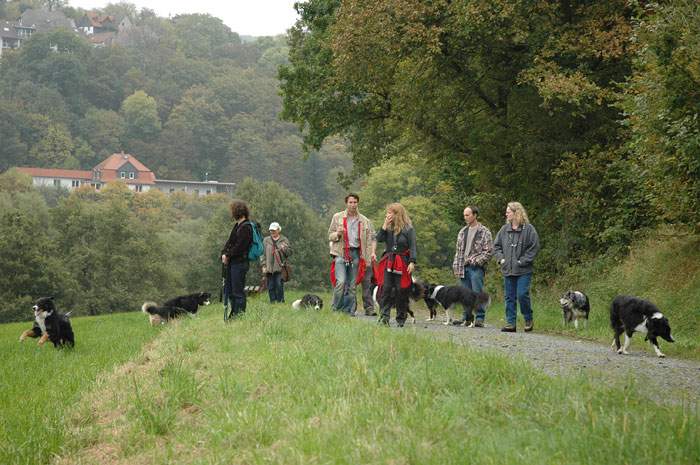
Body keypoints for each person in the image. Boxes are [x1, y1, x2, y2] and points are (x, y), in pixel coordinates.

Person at [493, 201, 540, 332]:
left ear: (516, 213)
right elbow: (496, 247)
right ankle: (510, 323)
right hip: (508, 269)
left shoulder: (529, 229)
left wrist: (522, 261)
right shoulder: (504, 230)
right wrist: (501, 259)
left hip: (524, 270)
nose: (506, 213)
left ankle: (528, 318)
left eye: (508, 211)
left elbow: (534, 247)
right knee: (509, 297)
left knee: (522, 294)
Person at [328, 194, 375, 314]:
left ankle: (348, 311)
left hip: (356, 253)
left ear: (358, 203)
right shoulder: (337, 217)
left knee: (352, 285)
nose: (353, 205)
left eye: (355, 202)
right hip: (341, 252)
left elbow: (369, 241)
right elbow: (330, 235)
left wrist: (368, 259)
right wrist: (337, 234)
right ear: (346, 203)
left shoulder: (364, 220)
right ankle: (335, 309)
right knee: (341, 282)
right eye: (350, 202)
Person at [451, 206, 493, 327]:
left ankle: (479, 318)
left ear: (475, 215)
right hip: (462, 267)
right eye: (464, 215)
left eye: (468, 215)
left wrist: (475, 261)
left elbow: (488, 251)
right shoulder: (462, 231)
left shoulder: (484, 231)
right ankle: (466, 318)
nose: (465, 217)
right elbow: (458, 251)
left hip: (476, 268)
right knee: (464, 294)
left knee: (477, 292)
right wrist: (456, 265)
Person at [376, 203, 417, 327]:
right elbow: (379, 239)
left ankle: (401, 319)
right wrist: (384, 225)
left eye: (390, 213)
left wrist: (412, 261)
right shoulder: (388, 228)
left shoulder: (408, 229)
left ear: (397, 214)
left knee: (401, 290)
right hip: (389, 260)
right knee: (386, 289)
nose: (387, 215)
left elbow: (413, 246)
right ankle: (384, 318)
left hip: (403, 261)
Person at [221, 200, 253, 319]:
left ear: (237, 212)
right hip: (232, 263)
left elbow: (240, 247)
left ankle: (239, 315)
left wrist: (228, 255)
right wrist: (223, 253)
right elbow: (229, 242)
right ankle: (234, 313)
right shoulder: (237, 226)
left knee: (238, 291)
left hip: (240, 263)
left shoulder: (246, 227)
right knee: (229, 290)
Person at [262, 222, 292, 304]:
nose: (272, 232)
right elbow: (262, 253)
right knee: (270, 286)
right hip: (269, 268)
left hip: (280, 267)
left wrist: (284, 249)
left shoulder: (284, 240)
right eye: (271, 230)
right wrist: (263, 265)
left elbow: (289, 253)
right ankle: (272, 302)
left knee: (279, 285)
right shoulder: (266, 240)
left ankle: (280, 302)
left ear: (278, 230)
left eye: (274, 230)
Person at [356, 222, 378, 316]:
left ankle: (369, 308)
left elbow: (374, 238)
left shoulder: (367, 222)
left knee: (367, 284)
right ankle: (351, 307)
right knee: (351, 284)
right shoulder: (346, 221)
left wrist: (373, 252)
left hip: (366, 259)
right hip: (353, 258)